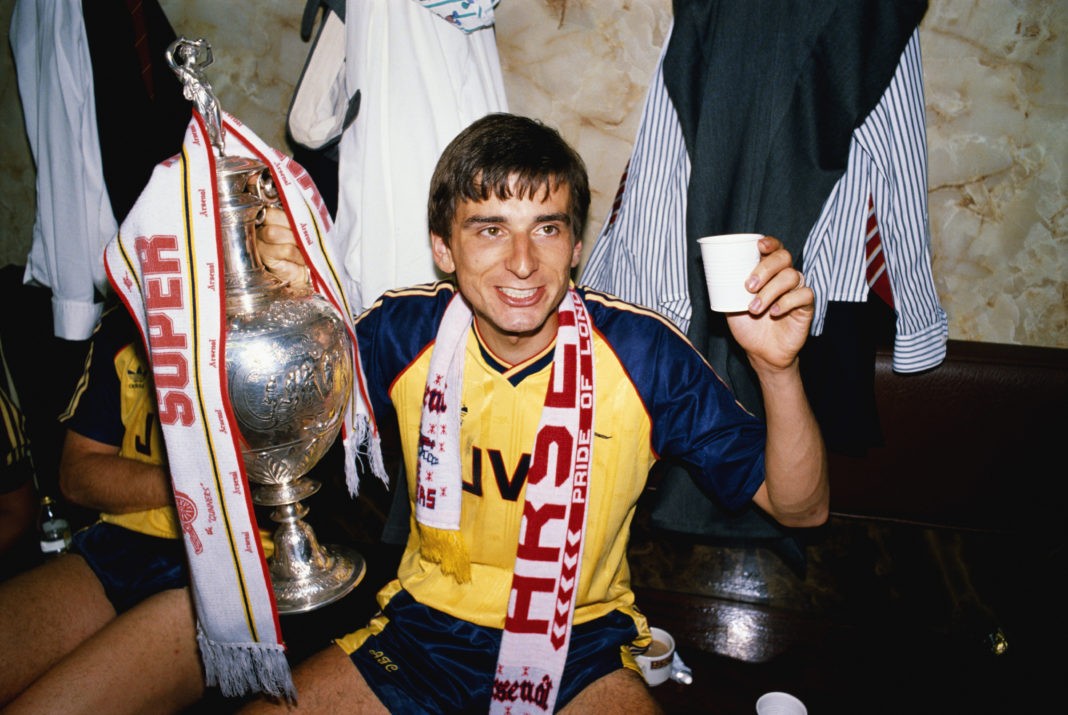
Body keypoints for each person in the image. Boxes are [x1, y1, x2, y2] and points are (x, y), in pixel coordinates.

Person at [243, 112, 828, 714]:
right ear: (444, 247)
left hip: (582, 644)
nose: (522, 262)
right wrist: (283, 311)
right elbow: (267, 438)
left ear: (576, 245)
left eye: (545, 228)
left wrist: (777, 370)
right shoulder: (401, 331)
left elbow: (801, 508)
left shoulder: (642, 355)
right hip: (423, 635)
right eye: (490, 229)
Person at [0, 302, 209, 713]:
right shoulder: (128, 318)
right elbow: (77, 476)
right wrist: (195, 483)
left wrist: (134, 480)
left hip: (231, 560)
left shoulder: (269, 317)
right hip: (119, 540)